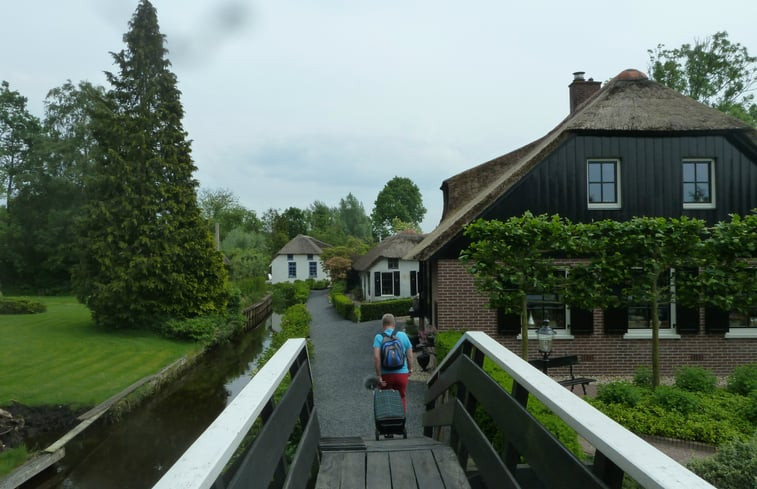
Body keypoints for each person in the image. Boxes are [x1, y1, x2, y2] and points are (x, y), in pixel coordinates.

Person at [373, 313, 414, 410]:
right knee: (402, 397)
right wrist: (410, 369)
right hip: (402, 374)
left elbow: (376, 358)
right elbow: (410, 356)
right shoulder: (403, 335)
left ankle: (386, 422)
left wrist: (379, 376)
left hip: (386, 376)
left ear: (383, 325)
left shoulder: (379, 337)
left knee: (385, 399)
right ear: (394, 324)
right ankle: (401, 422)